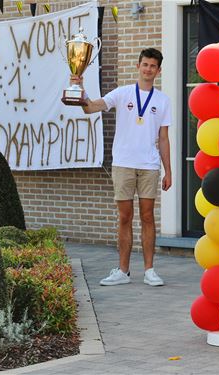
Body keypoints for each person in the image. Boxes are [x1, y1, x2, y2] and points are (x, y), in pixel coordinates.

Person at [72, 48, 171, 286]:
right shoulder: (123, 93)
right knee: (124, 217)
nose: (148, 69)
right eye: (145, 64)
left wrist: (169, 170)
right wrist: (79, 89)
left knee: (148, 217)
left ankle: (149, 271)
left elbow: (164, 138)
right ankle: (123, 271)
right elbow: (90, 108)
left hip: (149, 165)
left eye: (153, 66)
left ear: (158, 70)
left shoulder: (162, 100)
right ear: (138, 66)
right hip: (123, 164)